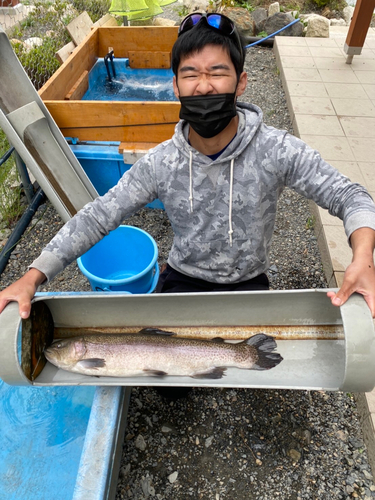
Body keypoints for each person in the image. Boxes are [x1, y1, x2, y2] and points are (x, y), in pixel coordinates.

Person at [1, 12, 375, 320]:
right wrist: (33, 275)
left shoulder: (276, 149)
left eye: (217, 72)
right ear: (175, 86)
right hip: (185, 278)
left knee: (255, 365)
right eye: (191, 74)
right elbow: (99, 214)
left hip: (248, 281)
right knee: (170, 385)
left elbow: (351, 196)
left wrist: (362, 261)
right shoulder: (161, 162)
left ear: (241, 82)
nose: (204, 86)